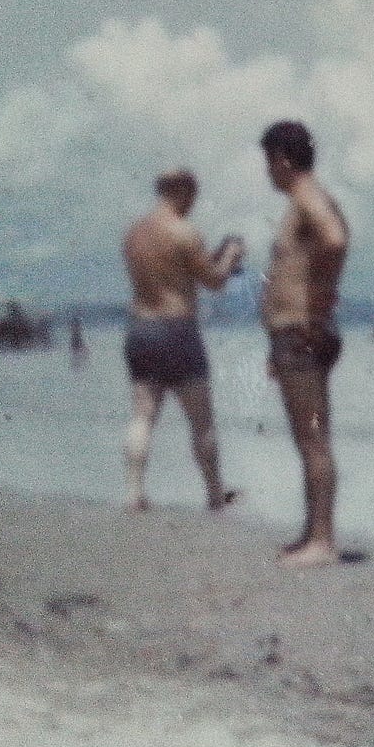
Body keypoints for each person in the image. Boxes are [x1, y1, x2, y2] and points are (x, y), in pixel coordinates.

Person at [121, 169, 244, 513]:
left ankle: (134, 492)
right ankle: (215, 494)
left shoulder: (133, 234)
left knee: (142, 414)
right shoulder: (185, 232)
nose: (194, 202)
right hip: (177, 329)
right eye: (194, 194)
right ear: (183, 191)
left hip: (141, 327)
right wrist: (231, 257)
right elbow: (214, 281)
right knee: (201, 419)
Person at [258, 120, 352, 568]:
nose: (267, 173)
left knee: (313, 439)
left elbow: (334, 238)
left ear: (282, 159)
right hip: (294, 331)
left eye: (268, 163)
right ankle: (313, 532)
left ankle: (323, 542)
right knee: (308, 437)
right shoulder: (304, 200)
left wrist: (317, 302)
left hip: (301, 330)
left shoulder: (308, 196)